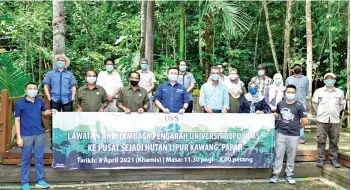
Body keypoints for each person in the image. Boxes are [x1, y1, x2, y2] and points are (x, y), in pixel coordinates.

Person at [14, 82, 52, 190]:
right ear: (25, 90)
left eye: (34, 88)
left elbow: (44, 112)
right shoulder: (19, 103)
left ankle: (40, 180)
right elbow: (17, 120)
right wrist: (18, 137)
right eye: (30, 88)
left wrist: (51, 111)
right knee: (25, 159)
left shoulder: (40, 101)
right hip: (26, 135)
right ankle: (25, 182)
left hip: (39, 133)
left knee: (39, 158)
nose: (32, 90)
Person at [270, 84, 308, 185]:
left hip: (294, 135)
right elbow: (278, 114)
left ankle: (289, 175)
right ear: (285, 92)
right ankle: (275, 175)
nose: (290, 94)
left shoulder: (299, 106)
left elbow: (304, 121)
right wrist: (275, 115)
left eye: (292, 92)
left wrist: (296, 128)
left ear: (295, 94)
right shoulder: (280, 104)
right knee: (278, 155)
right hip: (281, 133)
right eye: (288, 92)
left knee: (291, 156)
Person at [42, 54, 77, 149]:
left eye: (62, 60)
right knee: (54, 121)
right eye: (59, 60)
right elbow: (46, 86)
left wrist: (73, 96)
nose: (60, 62)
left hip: (67, 100)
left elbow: (73, 86)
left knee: (68, 121)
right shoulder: (50, 73)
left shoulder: (69, 74)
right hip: (55, 99)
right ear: (56, 62)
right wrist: (49, 97)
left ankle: (68, 141)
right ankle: (54, 142)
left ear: (65, 63)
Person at [312, 73, 345, 168]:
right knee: (321, 140)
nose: (329, 80)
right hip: (322, 119)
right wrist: (321, 112)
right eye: (327, 78)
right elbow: (315, 104)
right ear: (324, 80)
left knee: (334, 140)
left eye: (332, 78)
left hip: (335, 120)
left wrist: (334, 112)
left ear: (335, 80)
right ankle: (320, 159)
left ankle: (333, 160)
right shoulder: (319, 91)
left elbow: (341, 105)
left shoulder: (339, 92)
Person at [285, 63, 309, 144]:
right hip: (291, 102)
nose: (297, 68)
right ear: (292, 69)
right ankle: (291, 136)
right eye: (295, 67)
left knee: (302, 119)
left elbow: (306, 91)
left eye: (298, 67)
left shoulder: (306, 79)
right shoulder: (288, 79)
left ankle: (300, 136)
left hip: (302, 102)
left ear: (301, 69)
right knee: (290, 118)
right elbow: (287, 91)